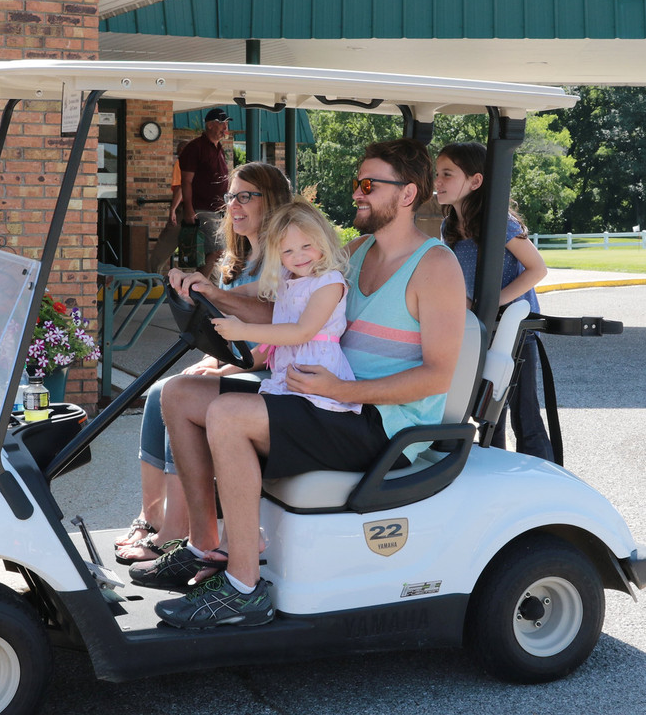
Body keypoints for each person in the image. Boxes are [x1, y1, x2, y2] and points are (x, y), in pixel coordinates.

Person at [140, 138, 466, 629]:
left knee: (227, 416)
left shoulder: (436, 267)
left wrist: (343, 390)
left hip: (379, 424)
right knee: (180, 395)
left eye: (368, 185)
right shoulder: (353, 254)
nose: (357, 194)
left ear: (406, 195)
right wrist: (216, 296)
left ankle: (244, 587)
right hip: (321, 399)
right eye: (358, 183)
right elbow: (286, 313)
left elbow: (437, 376)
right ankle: (204, 548)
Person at [113, 162, 292, 564]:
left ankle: (180, 529)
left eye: (246, 196)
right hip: (246, 363)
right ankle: (154, 515)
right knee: (162, 390)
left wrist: (221, 369)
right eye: (231, 197)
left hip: (268, 371)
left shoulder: (284, 259)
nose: (234, 206)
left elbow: (272, 336)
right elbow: (227, 329)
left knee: (179, 394)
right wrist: (211, 360)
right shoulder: (243, 258)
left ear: (273, 202)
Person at [434, 141, 552, 462]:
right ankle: (497, 477)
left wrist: (493, 302)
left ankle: (542, 481)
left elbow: (537, 268)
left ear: (475, 181)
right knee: (487, 413)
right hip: (479, 329)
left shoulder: (500, 222)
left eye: (447, 174)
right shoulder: (449, 226)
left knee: (524, 414)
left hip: (515, 331)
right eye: (437, 173)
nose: (437, 181)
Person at [212, 196, 361, 415]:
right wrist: (213, 296)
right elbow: (249, 290)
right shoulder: (284, 275)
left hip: (314, 377)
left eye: (306, 246)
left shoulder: (329, 281)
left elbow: (302, 332)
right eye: (287, 251)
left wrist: (243, 331)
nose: (298, 256)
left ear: (322, 241)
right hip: (287, 372)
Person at [179, 108, 232, 276]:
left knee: (219, 254)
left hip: (220, 210)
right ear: (209, 125)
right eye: (221, 123)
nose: (225, 127)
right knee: (217, 250)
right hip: (202, 209)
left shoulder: (219, 149)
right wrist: (188, 209)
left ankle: (209, 294)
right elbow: (186, 181)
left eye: (226, 123)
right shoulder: (195, 148)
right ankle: (196, 289)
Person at [146, 140, 186, 273]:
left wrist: (173, 209)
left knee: (166, 242)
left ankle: (153, 276)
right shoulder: (198, 164)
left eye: (178, 151)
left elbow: (181, 187)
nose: (177, 154)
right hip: (199, 208)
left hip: (183, 209)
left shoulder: (182, 162)